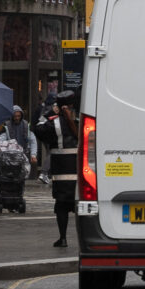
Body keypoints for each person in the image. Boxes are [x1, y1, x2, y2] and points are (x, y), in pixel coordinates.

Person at [40, 92, 83, 248]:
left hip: (61, 173)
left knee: (61, 207)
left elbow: (38, 129)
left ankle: (63, 238)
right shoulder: (81, 121)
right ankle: (83, 239)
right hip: (80, 173)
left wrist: (51, 113)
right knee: (81, 207)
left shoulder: (55, 123)